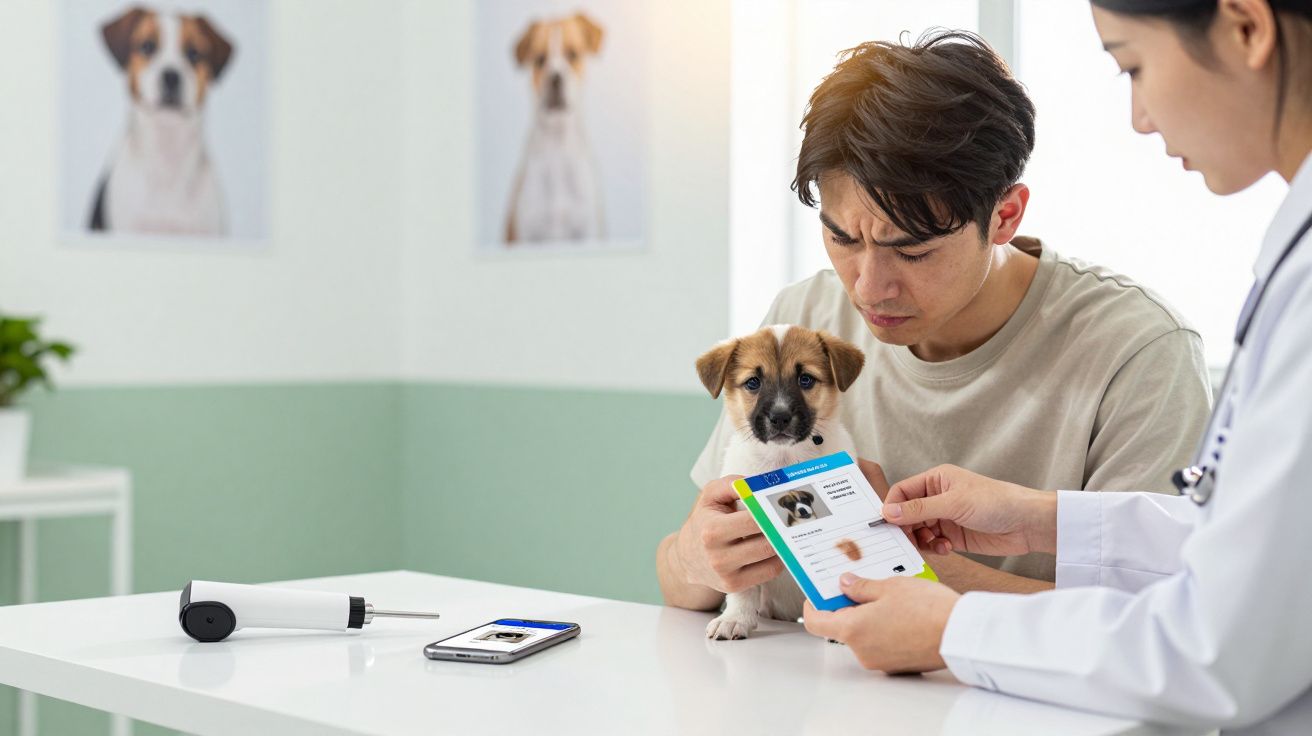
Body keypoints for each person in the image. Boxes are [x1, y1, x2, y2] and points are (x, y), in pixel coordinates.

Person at [802, 1, 1312, 731]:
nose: (1140, 117)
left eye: (1133, 63)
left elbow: (1219, 646)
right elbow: (1257, 545)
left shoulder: (1144, 338)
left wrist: (955, 624)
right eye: (842, 238)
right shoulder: (1295, 252)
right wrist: (1045, 522)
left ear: (1247, 27)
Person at [657, 31, 1212, 613]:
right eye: (841, 238)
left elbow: (1163, 625)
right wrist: (694, 558)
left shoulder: (1139, 352)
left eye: (913, 250)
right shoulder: (800, 324)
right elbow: (679, 583)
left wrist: (907, 561)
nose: (868, 287)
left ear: (1003, 216)